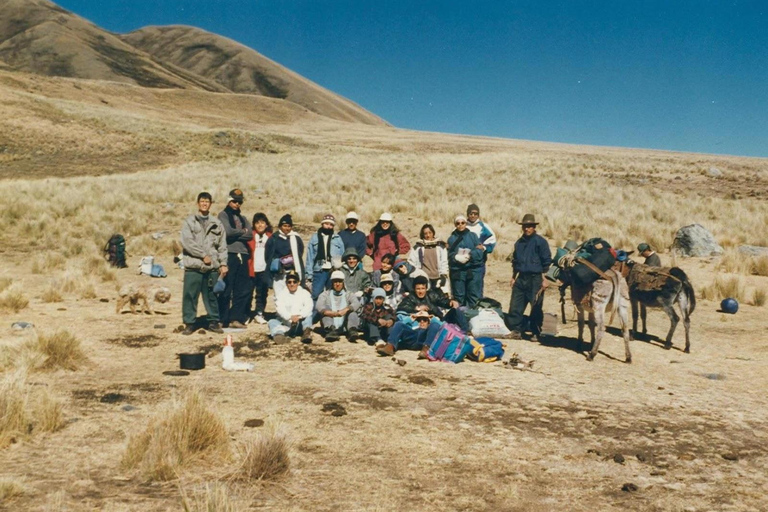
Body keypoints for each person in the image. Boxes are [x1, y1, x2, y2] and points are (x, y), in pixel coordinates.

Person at [180, 192, 228, 335]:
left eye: (207, 201)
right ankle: (189, 323)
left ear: (210, 204)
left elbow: (222, 246)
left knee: (212, 296)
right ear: (198, 203)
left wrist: (223, 263)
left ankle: (213, 321)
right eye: (202, 201)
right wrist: (202, 255)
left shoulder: (217, 223)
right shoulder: (190, 222)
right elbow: (187, 242)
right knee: (190, 295)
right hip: (194, 266)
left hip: (211, 267)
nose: (204, 204)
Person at [507, 213, 552, 339]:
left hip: (535, 278)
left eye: (530, 226)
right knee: (515, 305)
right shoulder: (519, 243)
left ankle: (535, 331)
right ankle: (516, 330)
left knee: (536, 306)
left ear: (534, 227)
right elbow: (515, 261)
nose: (527, 229)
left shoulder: (541, 242)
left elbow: (547, 261)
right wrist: (513, 277)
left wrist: (545, 279)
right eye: (525, 226)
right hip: (521, 278)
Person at [217, 189, 254, 329]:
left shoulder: (243, 218)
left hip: (243, 254)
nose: (237, 204)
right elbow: (227, 232)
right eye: (234, 201)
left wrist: (239, 233)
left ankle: (236, 318)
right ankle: (222, 318)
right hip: (230, 253)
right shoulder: (223, 215)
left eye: (239, 202)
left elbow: (250, 234)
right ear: (229, 200)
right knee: (226, 287)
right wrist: (242, 232)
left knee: (242, 288)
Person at [397, 275, 469, 332]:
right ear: (414, 289)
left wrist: (450, 302)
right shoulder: (411, 298)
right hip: (426, 325)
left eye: (423, 288)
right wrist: (416, 308)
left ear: (426, 288)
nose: (420, 291)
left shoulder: (431, 295)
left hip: (439, 321)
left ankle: (467, 333)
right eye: (418, 289)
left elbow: (442, 301)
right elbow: (401, 307)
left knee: (455, 311)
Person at [447, 215, 485, 308]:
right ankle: (460, 318)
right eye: (458, 223)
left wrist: (470, 255)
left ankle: (474, 317)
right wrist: (455, 257)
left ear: (466, 223)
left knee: (474, 296)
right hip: (458, 271)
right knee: (458, 297)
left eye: (462, 223)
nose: (460, 225)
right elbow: (448, 254)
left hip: (473, 271)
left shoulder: (473, 236)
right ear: (455, 225)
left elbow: (480, 251)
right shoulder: (451, 239)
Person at [306, 214, 345, 301]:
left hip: (333, 270)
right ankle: (315, 314)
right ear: (322, 224)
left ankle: (329, 314)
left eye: (331, 225)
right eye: (326, 224)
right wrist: (308, 274)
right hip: (319, 270)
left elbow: (342, 255)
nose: (328, 226)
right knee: (316, 294)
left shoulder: (337, 238)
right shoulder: (314, 237)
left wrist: (339, 268)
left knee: (331, 295)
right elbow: (310, 256)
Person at [265, 214, 305, 297]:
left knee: (292, 294)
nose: (287, 228)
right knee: (279, 295)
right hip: (279, 273)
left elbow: (300, 252)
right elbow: (268, 255)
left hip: (292, 272)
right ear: (280, 226)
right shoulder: (274, 238)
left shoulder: (296, 238)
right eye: (284, 226)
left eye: (289, 226)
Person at [268, 271, 314, 344]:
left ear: (298, 282)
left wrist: (300, 316)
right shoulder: (281, 294)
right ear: (286, 283)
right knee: (272, 322)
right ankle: (279, 336)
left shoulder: (305, 293)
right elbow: (280, 308)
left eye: (294, 282)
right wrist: (290, 317)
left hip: (300, 324)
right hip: (287, 324)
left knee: (309, 317)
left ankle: (306, 334)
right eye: (289, 282)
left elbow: (309, 306)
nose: (292, 284)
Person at [316, 271, 362, 342]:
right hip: (330, 321)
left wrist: (346, 309)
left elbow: (356, 303)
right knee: (326, 310)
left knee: (353, 312)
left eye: (340, 282)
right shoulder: (325, 294)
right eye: (335, 282)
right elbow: (319, 306)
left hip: (345, 323)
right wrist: (334, 314)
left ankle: (352, 331)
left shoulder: (348, 294)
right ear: (332, 283)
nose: (337, 284)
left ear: (343, 282)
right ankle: (331, 331)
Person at [376, 310, 442, 358]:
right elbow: (400, 324)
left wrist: (433, 319)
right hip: (412, 338)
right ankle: (390, 347)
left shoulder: (430, 327)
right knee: (398, 324)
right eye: (419, 320)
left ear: (428, 321)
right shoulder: (413, 326)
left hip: (423, 340)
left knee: (435, 325)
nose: (422, 322)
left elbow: (443, 326)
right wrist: (410, 319)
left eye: (424, 320)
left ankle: (426, 350)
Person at [465, 203, 497, 297]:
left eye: (475, 213)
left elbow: (492, 240)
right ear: (467, 214)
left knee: (476, 289)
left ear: (478, 215)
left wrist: (484, 247)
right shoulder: (462, 225)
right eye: (471, 213)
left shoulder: (483, 227)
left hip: (477, 265)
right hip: (463, 264)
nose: (473, 215)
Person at [247, 212, 272, 324]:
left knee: (262, 292)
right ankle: (246, 314)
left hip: (264, 269)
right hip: (251, 269)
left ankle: (259, 313)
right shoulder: (250, 236)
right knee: (248, 292)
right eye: (257, 223)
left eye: (262, 222)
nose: (260, 225)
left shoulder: (270, 237)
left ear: (266, 224)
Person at [408, 223, 448, 291]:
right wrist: (417, 275)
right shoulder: (418, 247)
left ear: (433, 233)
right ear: (423, 235)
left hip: (437, 277)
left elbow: (444, 262)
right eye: (425, 233)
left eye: (430, 232)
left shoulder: (440, 247)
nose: (428, 235)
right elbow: (411, 262)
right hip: (424, 278)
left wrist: (443, 275)